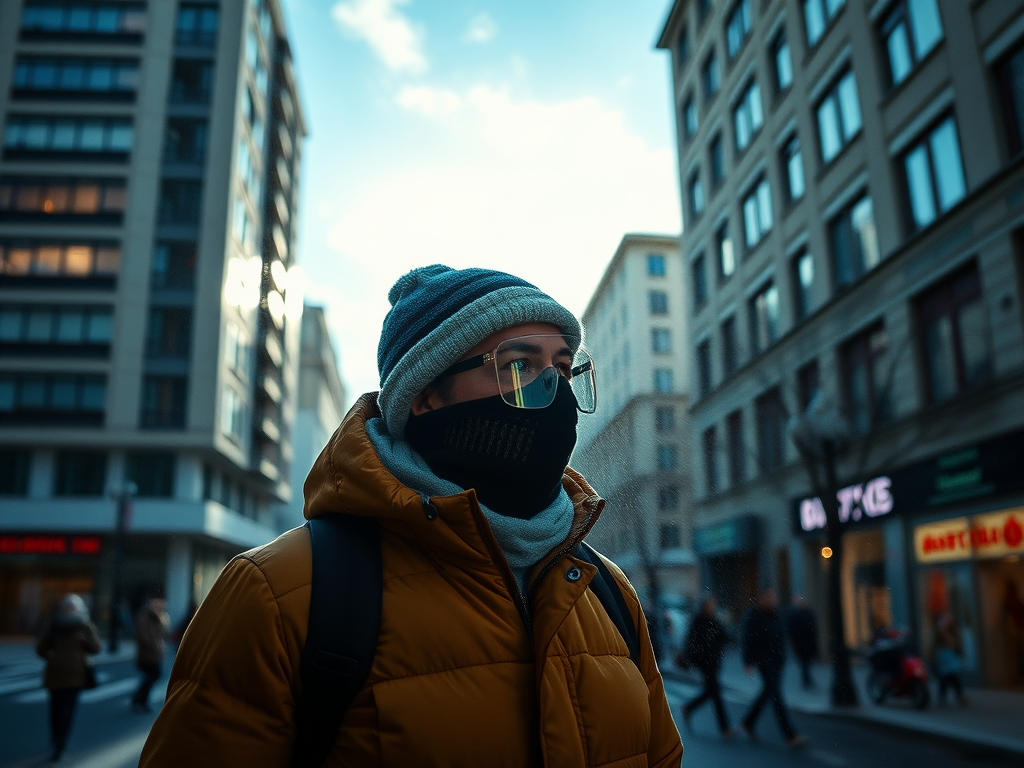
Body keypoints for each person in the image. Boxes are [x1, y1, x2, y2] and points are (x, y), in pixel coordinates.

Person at [140, 265, 683, 767]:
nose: (555, 395)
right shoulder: (279, 595)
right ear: (424, 397)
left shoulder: (607, 591)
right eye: (520, 367)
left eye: (563, 371)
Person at [35, 594, 101, 763]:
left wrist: (86, 641)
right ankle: (56, 737)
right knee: (55, 710)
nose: (70, 611)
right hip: (55, 675)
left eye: (73, 608)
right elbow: (41, 648)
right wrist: (51, 656)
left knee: (68, 711)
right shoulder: (54, 625)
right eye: (67, 607)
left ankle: (60, 743)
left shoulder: (86, 626)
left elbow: (96, 648)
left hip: (75, 677)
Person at [740, 588, 807, 748]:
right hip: (764, 660)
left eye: (773, 596)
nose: (772, 599)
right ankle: (790, 735)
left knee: (768, 692)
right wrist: (748, 662)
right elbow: (748, 639)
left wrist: (784, 654)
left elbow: (781, 634)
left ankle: (748, 722)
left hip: (777, 660)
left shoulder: (776, 614)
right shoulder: (754, 615)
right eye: (768, 597)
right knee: (777, 695)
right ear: (761, 598)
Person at [678, 596, 733, 737]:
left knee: (711, 692)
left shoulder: (714, 621)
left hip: (713, 662)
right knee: (715, 692)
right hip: (704, 663)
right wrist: (693, 659)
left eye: (713, 605)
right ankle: (725, 728)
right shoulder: (699, 621)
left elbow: (725, 637)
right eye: (710, 605)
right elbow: (692, 642)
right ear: (704, 606)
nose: (712, 607)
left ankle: (688, 708)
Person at [132, 595, 170, 712]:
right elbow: (142, 636)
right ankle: (140, 698)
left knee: (153, 675)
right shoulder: (144, 615)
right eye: (158, 603)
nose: (160, 606)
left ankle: (140, 699)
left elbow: (164, 633)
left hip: (156, 653)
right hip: (147, 654)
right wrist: (155, 647)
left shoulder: (159, 617)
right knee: (154, 674)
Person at [933, 611, 966, 705]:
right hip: (943, 655)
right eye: (945, 618)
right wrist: (942, 629)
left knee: (951, 676)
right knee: (947, 676)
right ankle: (954, 696)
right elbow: (941, 640)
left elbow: (958, 639)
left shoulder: (953, 628)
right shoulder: (939, 629)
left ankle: (949, 696)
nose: (947, 620)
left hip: (951, 654)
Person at [786, 595, 818, 690]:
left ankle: (807, 679)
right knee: (805, 663)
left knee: (806, 663)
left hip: (807, 643)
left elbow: (813, 628)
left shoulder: (808, 613)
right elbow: (791, 630)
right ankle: (807, 680)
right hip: (800, 643)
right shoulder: (793, 614)